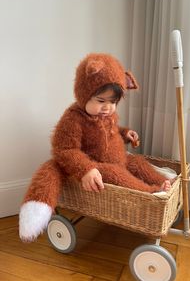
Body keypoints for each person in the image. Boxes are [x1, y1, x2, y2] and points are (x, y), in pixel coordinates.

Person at [19, 53, 171, 242]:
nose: (108, 107)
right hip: (96, 166)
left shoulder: (108, 115)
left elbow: (112, 132)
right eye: (101, 101)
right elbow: (65, 150)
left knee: (138, 163)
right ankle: (152, 194)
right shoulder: (73, 118)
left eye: (113, 102)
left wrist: (125, 134)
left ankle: (165, 184)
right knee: (116, 174)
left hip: (120, 159)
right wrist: (86, 169)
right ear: (85, 95)